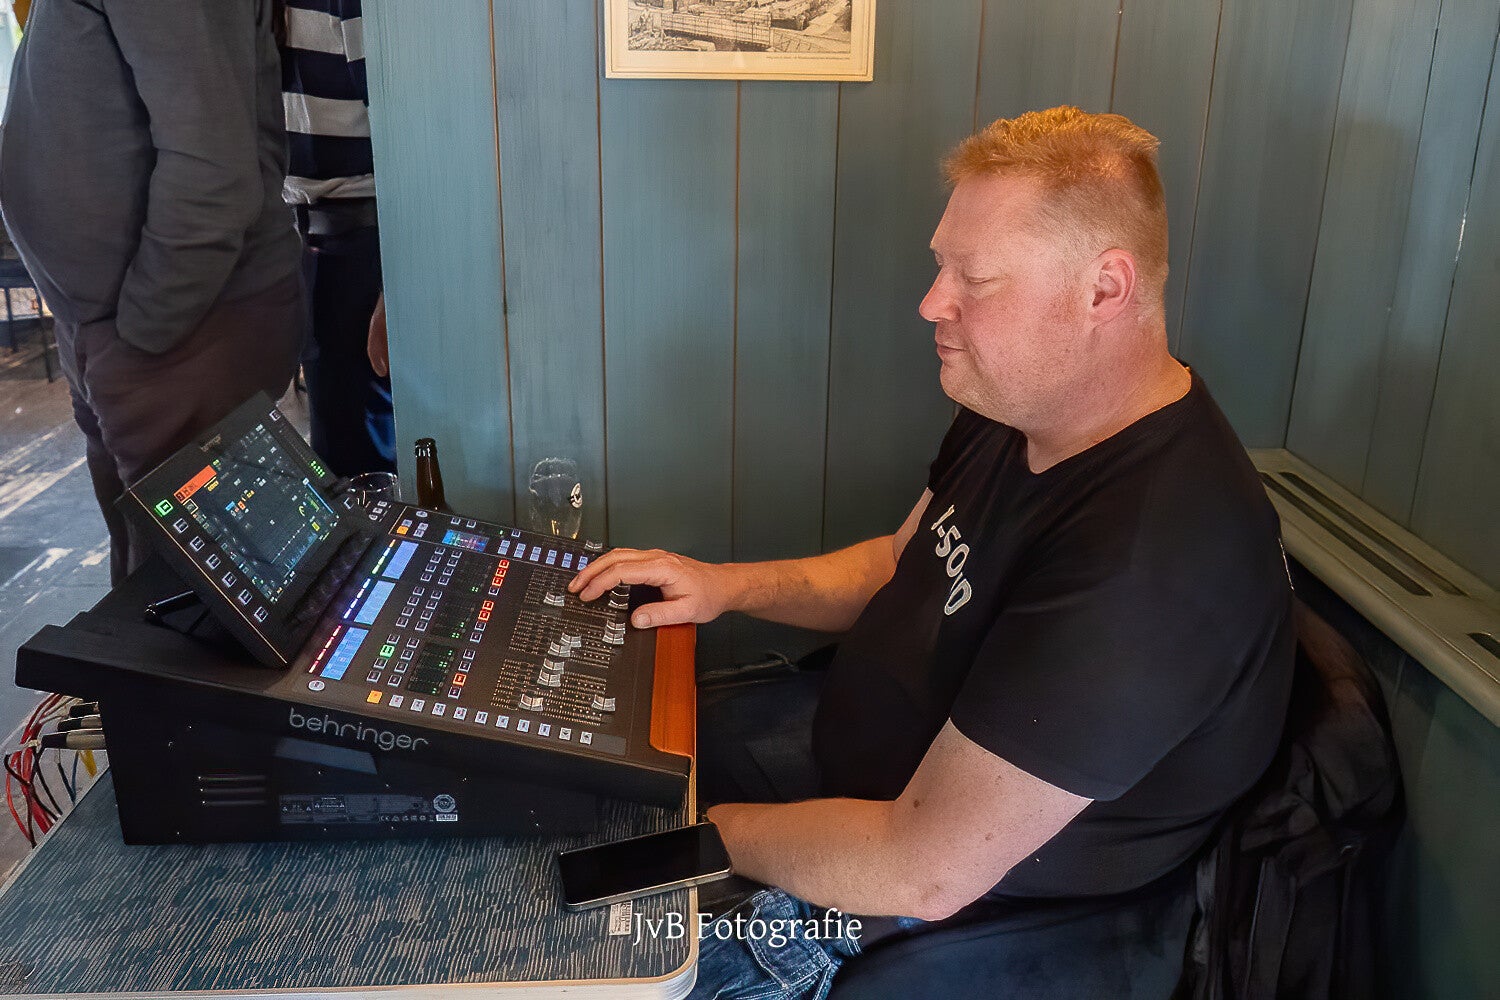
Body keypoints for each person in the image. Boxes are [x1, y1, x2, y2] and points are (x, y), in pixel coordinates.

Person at [571, 107, 1296, 998]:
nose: (931, 303)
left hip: (930, 900)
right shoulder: (1016, 403)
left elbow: (923, 868)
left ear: (1105, 290)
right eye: (940, 265)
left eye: (974, 279)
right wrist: (723, 587)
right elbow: (899, 561)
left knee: (585, 928)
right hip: (855, 775)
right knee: (590, 783)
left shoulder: (1153, 564)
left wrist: (693, 840)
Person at [0, 0, 303, 584]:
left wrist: (143, 335)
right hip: (128, 327)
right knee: (148, 591)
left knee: (187, 603)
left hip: (182, 329)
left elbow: (213, 175)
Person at [278, 0, 396, 478]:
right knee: (329, 448)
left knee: (366, 462)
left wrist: (394, 287)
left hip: (367, 245)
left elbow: (408, 130)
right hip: (296, 240)